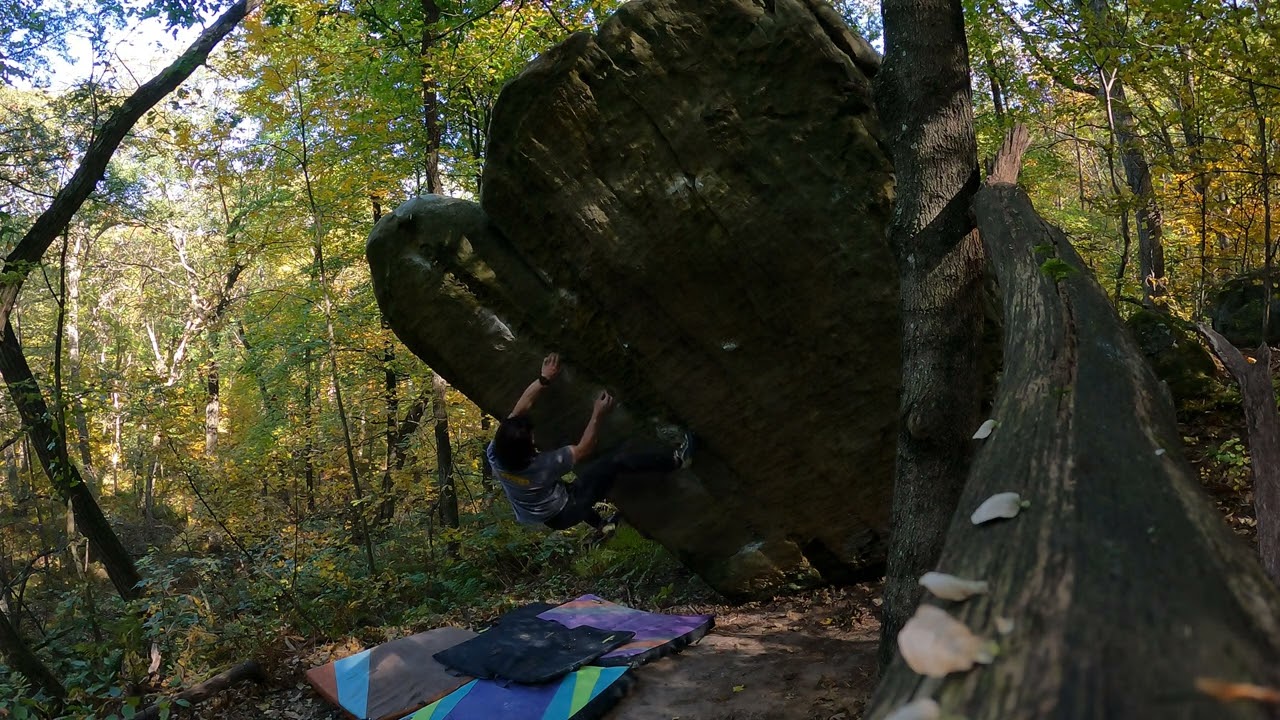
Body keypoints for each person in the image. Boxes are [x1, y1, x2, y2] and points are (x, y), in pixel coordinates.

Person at [487, 352, 693, 537]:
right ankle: (676, 460)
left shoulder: (497, 452)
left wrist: (544, 378)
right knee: (612, 463)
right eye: (531, 439)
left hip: (545, 510)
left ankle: (603, 527)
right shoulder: (541, 465)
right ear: (526, 451)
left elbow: (520, 408)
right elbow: (584, 448)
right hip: (565, 510)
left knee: (570, 487)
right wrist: (598, 413)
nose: (534, 437)